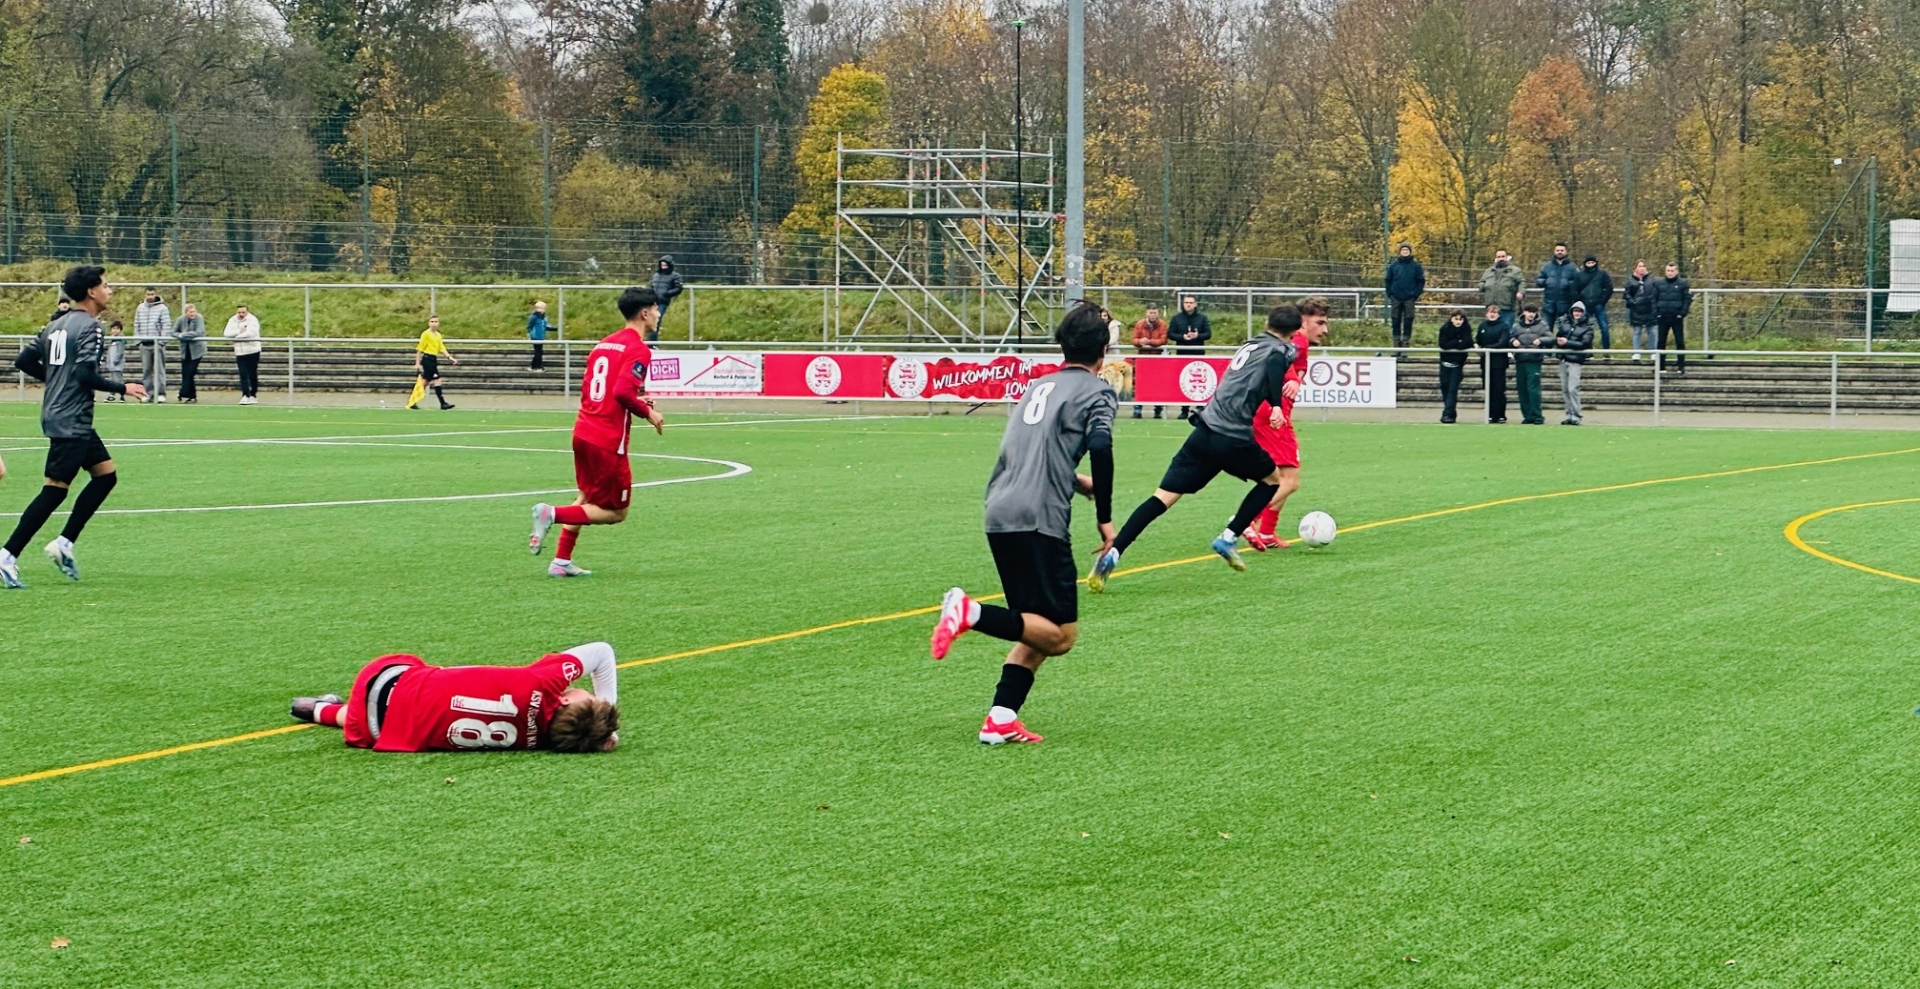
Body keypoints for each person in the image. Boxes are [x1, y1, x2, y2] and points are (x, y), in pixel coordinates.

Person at [927, 304, 1117, 745]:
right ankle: (968, 612)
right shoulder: (1098, 391)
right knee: (1061, 636)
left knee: (1036, 625)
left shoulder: (1037, 386)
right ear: (1103, 350)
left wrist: (1075, 482)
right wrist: (1105, 518)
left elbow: (1031, 449)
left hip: (1001, 509)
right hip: (1039, 518)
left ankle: (1000, 719)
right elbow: (1102, 447)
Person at [1089, 304, 1301, 591]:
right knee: (1273, 481)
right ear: (1294, 331)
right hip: (1233, 436)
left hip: (1204, 430)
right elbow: (1276, 364)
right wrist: (1276, 405)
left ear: (1266, 323)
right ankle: (1228, 537)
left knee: (1161, 498)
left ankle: (1113, 553)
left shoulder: (1251, 343)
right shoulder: (1281, 350)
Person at [1, 265, 148, 588]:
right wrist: (123, 388)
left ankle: (64, 543)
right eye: (106, 286)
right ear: (92, 292)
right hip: (71, 418)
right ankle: (7, 555)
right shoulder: (91, 327)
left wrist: (56, 379)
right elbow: (84, 375)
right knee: (54, 490)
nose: (110, 291)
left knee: (105, 475)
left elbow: (24, 361)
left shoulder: (56, 323)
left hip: (61, 414)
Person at [528, 286, 666, 577]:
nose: (658, 313)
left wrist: (637, 401)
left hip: (584, 430)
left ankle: (561, 561)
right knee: (616, 512)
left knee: (586, 496)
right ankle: (550, 513)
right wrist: (648, 412)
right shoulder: (638, 349)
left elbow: (595, 390)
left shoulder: (604, 344)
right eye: (656, 308)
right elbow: (621, 392)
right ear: (644, 313)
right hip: (607, 439)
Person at [289, 641, 620, 753]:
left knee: (424, 680)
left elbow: (602, 652)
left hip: (382, 677)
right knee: (391, 717)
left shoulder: (545, 683)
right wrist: (599, 733)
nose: (586, 690)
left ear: (565, 701)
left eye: (591, 697)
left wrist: (610, 715)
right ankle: (321, 711)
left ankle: (321, 708)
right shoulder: (546, 742)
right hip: (372, 732)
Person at [1244, 297, 1331, 550]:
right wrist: (1291, 377)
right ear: (1302, 322)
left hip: (1269, 414)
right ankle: (1246, 521)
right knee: (1290, 481)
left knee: (1281, 478)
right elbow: (1277, 356)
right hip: (1273, 417)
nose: (1325, 329)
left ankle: (1267, 532)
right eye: (1320, 322)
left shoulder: (1299, 342)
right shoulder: (1298, 340)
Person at [1168, 294, 1211, 419]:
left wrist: (1197, 336)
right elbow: (1170, 334)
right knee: (1184, 381)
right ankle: (1184, 409)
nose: (1188, 305)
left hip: (1198, 354)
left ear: (1195, 304)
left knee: (1199, 381)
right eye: (1186, 302)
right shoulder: (1176, 318)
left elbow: (1208, 334)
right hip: (1182, 354)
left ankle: (1199, 409)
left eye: (1191, 302)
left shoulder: (1202, 318)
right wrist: (1182, 337)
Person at [1508, 304, 1552, 425]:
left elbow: (1550, 338)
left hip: (1534, 360)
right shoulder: (1517, 326)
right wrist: (1513, 341)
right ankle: (1527, 416)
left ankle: (1537, 415)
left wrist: (1541, 340)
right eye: (1529, 311)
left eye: (1533, 312)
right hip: (1520, 360)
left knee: (1533, 389)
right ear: (1524, 312)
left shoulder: (1542, 325)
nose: (1531, 314)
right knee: (1522, 389)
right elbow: (1509, 337)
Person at [1555, 300, 1596, 425]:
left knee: (1572, 389)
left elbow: (1584, 344)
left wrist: (1567, 342)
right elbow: (1558, 338)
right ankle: (1569, 414)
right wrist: (1560, 342)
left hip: (1575, 361)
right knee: (1565, 389)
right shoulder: (1565, 324)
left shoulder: (1588, 328)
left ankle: (1576, 415)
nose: (1577, 313)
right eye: (1575, 311)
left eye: (1579, 311)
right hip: (1563, 360)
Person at [1383, 241, 1425, 356]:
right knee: (1395, 320)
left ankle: (1405, 345)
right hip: (1396, 298)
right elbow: (1387, 281)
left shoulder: (1416, 266)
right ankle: (1396, 345)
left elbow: (1420, 281)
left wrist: (1415, 294)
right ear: (1400, 252)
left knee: (1408, 320)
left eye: (1407, 250)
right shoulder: (1393, 266)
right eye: (1403, 250)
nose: (1405, 252)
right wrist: (1390, 294)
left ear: (1410, 252)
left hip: (1409, 298)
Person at [1651, 262, 1692, 374]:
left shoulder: (1683, 283)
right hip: (1663, 316)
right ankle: (1661, 366)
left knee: (1679, 342)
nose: (1670, 273)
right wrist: (1656, 313)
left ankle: (1681, 366)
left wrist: (1682, 313)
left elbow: (1687, 299)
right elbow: (1653, 298)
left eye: (1672, 271)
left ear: (1676, 271)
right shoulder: (1659, 283)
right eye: (1668, 271)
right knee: (1661, 342)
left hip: (1676, 317)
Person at [1129, 304, 1169, 418]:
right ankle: (1137, 409)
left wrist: (1149, 342)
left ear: (1158, 313)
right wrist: (1140, 342)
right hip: (1143, 358)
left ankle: (1158, 410)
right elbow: (1134, 339)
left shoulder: (1163, 325)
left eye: (1155, 313)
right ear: (1147, 313)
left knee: (1158, 385)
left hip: (1158, 359)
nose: (1153, 315)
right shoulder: (1140, 324)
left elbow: (1163, 340)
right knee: (1140, 384)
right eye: (1151, 313)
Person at [410, 315, 458, 410]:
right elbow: (420, 349)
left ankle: (413, 401)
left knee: (425, 382)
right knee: (437, 379)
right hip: (427, 359)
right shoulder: (426, 334)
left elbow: (441, 348)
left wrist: (449, 357)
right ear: (428, 323)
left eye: (436, 322)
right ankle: (442, 403)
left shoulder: (438, 335)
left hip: (433, 359)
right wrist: (417, 363)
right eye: (432, 322)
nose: (434, 324)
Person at [132, 288, 170, 403]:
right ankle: (148, 393)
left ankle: (161, 393)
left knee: (159, 370)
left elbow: (166, 325)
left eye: (152, 294)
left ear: (155, 294)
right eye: (148, 294)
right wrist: (138, 341)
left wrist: (162, 342)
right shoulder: (140, 308)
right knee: (146, 371)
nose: (150, 296)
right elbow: (136, 324)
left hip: (157, 344)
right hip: (144, 344)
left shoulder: (162, 308)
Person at [1476, 303, 1511, 423]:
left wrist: (1487, 348)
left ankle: (1500, 415)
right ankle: (1490, 414)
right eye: (1490, 312)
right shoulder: (1482, 326)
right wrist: (1477, 346)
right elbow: (1478, 340)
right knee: (1488, 389)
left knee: (1499, 389)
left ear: (1498, 314)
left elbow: (1503, 342)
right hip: (1485, 362)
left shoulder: (1504, 326)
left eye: (1495, 312)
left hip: (1499, 363)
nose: (1492, 314)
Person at [1437, 309, 1473, 424]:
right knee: (1445, 387)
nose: (1458, 321)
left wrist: (1455, 343)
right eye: (1456, 319)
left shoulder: (1466, 328)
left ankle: (1447, 414)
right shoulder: (1445, 328)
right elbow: (1443, 344)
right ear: (1451, 319)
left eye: (1460, 319)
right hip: (1445, 363)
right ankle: (1450, 412)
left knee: (1452, 389)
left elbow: (1468, 342)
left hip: (1457, 364)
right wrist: (1457, 342)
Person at [223, 304, 262, 405]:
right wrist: (239, 331)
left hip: (252, 350)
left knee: (252, 373)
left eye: (243, 312)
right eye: (239, 312)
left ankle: (253, 394)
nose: (241, 314)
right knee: (243, 373)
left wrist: (236, 337)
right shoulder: (232, 320)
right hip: (239, 351)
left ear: (247, 312)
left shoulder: (252, 319)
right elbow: (226, 333)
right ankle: (245, 394)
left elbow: (251, 333)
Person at [1535, 243, 1579, 330]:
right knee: (1546, 328)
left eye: (1562, 250)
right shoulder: (1547, 266)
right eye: (1558, 250)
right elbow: (1539, 279)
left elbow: (1578, 281)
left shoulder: (1572, 267)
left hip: (1565, 303)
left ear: (1566, 252)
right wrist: (1546, 282)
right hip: (1549, 303)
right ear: (1554, 251)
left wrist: (1568, 284)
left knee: (1565, 328)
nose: (1560, 252)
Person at [1576, 255, 1614, 350]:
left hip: (1598, 305)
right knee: (1583, 329)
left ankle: (1606, 351)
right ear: (1585, 264)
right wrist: (1580, 301)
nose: (1590, 265)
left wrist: (1602, 301)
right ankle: (1586, 350)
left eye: (1592, 262)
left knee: (1604, 328)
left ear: (1596, 263)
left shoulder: (1602, 274)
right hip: (1585, 305)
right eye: (1588, 263)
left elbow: (1609, 288)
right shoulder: (1580, 275)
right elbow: (1574, 289)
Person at [1478, 249, 1524, 328]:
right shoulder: (1488, 271)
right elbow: (1481, 282)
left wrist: (1521, 292)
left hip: (1506, 307)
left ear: (1507, 257)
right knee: (1491, 330)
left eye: (1503, 256)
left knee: (1506, 329)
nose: (1501, 259)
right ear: (1496, 258)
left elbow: (1521, 282)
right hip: (1491, 307)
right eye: (1499, 257)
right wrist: (1483, 286)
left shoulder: (1515, 271)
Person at [171, 303, 206, 402]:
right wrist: (180, 335)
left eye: (194, 311)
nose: (193, 314)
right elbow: (173, 332)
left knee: (191, 371)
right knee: (185, 372)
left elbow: (199, 332)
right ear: (186, 313)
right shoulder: (181, 319)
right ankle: (191, 396)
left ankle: (183, 392)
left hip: (197, 350)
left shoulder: (199, 318)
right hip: (185, 350)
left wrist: (183, 335)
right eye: (190, 312)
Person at [1623, 260, 1656, 360]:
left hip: (1649, 310)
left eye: (1643, 266)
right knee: (1637, 331)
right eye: (1639, 266)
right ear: (1635, 268)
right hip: (1636, 310)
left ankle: (1653, 352)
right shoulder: (1631, 281)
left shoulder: (1651, 280)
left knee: (1652, 331)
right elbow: (1626, 294)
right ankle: (1636, 352)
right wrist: (1633, 302)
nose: (1642, 268)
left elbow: (1655, 292)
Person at [648, 257, 684, 339]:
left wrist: (667, 294)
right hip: (652, 301)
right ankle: (651, 342)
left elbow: (678, 288)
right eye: (662, 265)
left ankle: (651, 343)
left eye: (665, 265)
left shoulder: (675, 276)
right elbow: (650, 285)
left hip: (662, 301)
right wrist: (649, 294)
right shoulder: (656, 275)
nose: (663, 267)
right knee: (650, 320)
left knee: (656, 320)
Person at [102, 321, 128, 402]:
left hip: (117, 363)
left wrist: (116, 360)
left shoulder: (121, 339)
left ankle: (122, 395)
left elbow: (120, 351)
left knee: (119, 379)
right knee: (112, 379)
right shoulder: (111, 339)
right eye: (113, 329)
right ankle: (112, 395)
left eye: (117, 329)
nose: (115, 330)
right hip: (111, 362)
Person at [527, 300, 549, 370]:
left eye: (544, 308)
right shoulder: (534, 317)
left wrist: (555, 328)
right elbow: (529, 327)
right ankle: (537, 365)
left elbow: (545, 326)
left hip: (541, 337)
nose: (544, 310)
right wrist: (531, 335)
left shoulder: (543, 317)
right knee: (538, 352)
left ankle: (535, 365)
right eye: (543, 308)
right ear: (537, 308)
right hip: (535, 337)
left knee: (539, 352)